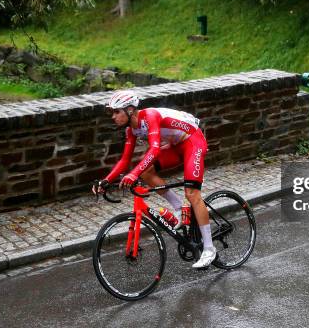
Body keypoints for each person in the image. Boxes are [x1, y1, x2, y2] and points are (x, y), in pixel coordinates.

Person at [92, 89, 216, 269]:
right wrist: (106, 181)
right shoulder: (131, 130)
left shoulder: (150, 117)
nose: (113, 116)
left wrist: (133, 173)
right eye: (112, 112)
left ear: (130, 110)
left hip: (192, 142)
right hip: (175, 145)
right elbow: (125, 160)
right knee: (146, 173)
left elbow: (155, 150)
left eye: (116, 112)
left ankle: (209, 250)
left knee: (192, 193)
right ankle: (178, 208)